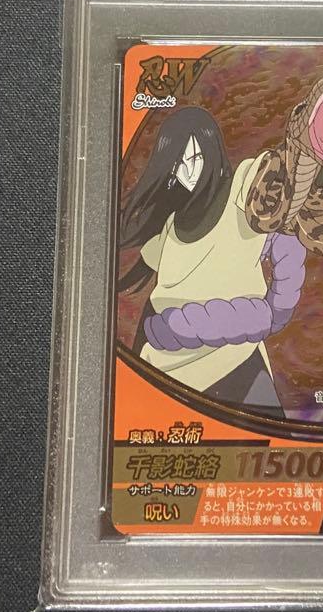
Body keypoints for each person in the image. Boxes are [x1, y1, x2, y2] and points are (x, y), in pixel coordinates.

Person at [118, 107, 305, 419]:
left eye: (195, 158)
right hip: (173, 366)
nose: (188, 173)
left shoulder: (240, 192)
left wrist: (275, 310)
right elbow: (154, 294)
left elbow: (286, 239)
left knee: (271, 436)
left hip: (237, 359)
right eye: (179, 164)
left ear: (213, 150)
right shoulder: (172, 226)